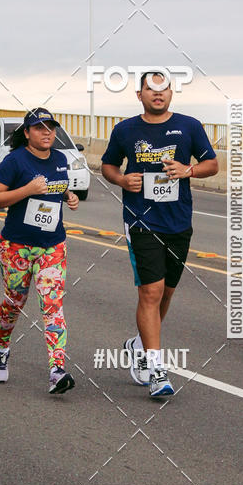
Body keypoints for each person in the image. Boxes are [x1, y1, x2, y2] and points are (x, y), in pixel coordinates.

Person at [101, 71, 218, 398]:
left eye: (163, 88)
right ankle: (156, 370)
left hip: (179, 222)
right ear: (139, 95)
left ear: (170, 93)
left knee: (166, 293)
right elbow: (107, 165)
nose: (158, 94)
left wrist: (188, 170)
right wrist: (122, 180)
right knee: (150, 293)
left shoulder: (189, 126)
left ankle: (137, 344)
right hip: (141, 222)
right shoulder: (125, 130)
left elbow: (212, 163)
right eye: (151, 90)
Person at [0, 108, 79, 395]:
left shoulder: (61, 159)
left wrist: (68, 195)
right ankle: (1, 348)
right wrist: (27, 189)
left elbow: (56, 188)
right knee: (14, 303)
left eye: (50, 127)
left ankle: (56, 370)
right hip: (16, 246)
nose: (47, 132)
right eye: (39, 128)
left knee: (52, 306)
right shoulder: (14, 161)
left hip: (53, 245)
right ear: (27, 133)